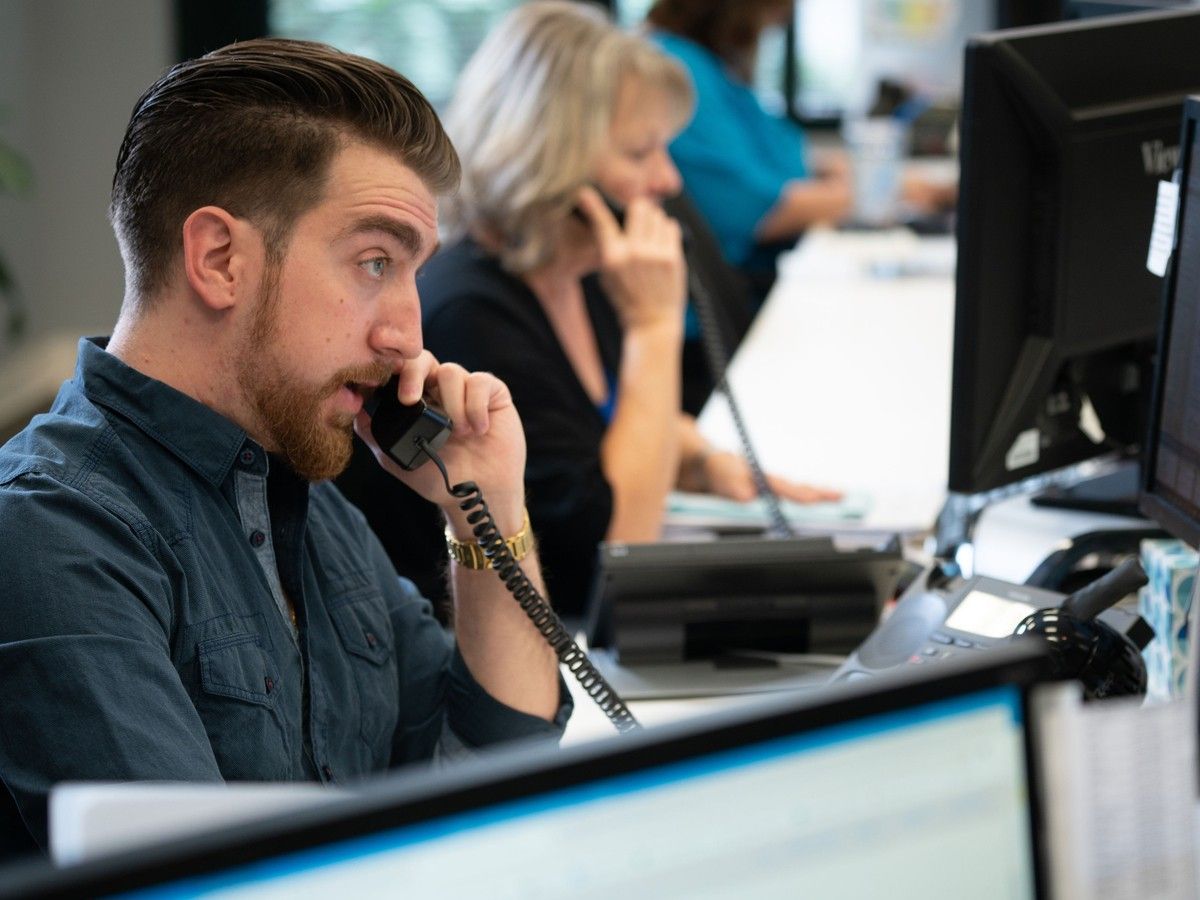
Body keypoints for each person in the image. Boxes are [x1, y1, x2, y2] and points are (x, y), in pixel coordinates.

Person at [0, 38, 568, 856]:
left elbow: (499, 775)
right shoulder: (56, 537)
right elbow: (208, 883)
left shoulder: (302, 495)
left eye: (412, 273)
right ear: (220, 259)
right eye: (375, 261)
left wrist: (486, 512)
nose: (408, 331)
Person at [337, 1, 839, 622]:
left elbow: (600, 430)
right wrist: (655, 329)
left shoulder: (580, 272)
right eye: (638, 154)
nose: (668, 182)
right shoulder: (472, 315)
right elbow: (610, 563)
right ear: (552, 162)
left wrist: (699, 458)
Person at [645, 0, 853, 300]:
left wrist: (829, 172)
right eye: (774, 13)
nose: (777, 26)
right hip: (721, 305)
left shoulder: (712, 69)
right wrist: (864, 194)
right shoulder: (679, 70)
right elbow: (756, 209)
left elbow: (777, 153)